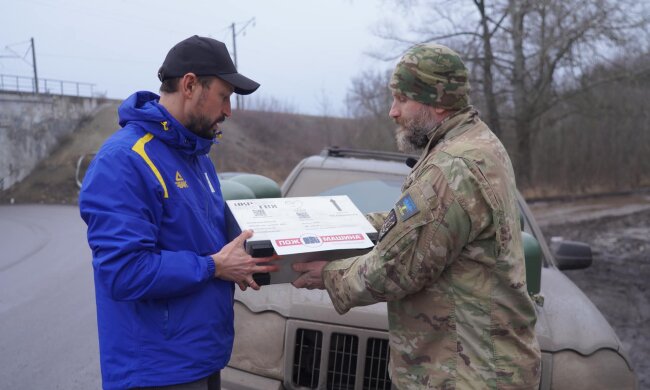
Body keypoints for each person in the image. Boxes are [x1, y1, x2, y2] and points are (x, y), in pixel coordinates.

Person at [292, 43, 541, 389]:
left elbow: (396, 268)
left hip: (464, 375)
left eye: (402, 99)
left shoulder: (453, 167)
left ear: (438, 101)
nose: (393, 111)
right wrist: (341, 226)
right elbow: (411, 223)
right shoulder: (476, 142)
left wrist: (330, 274)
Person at [79, 35, 278, 390]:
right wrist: (215, 265)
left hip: (202, 358)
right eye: (224, 96)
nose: (229, 111)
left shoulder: (197, 158)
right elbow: (124, 271)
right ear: (190, 85)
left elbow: (210, 242)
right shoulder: (125, 160)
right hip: (155, 371)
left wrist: (244, 260)